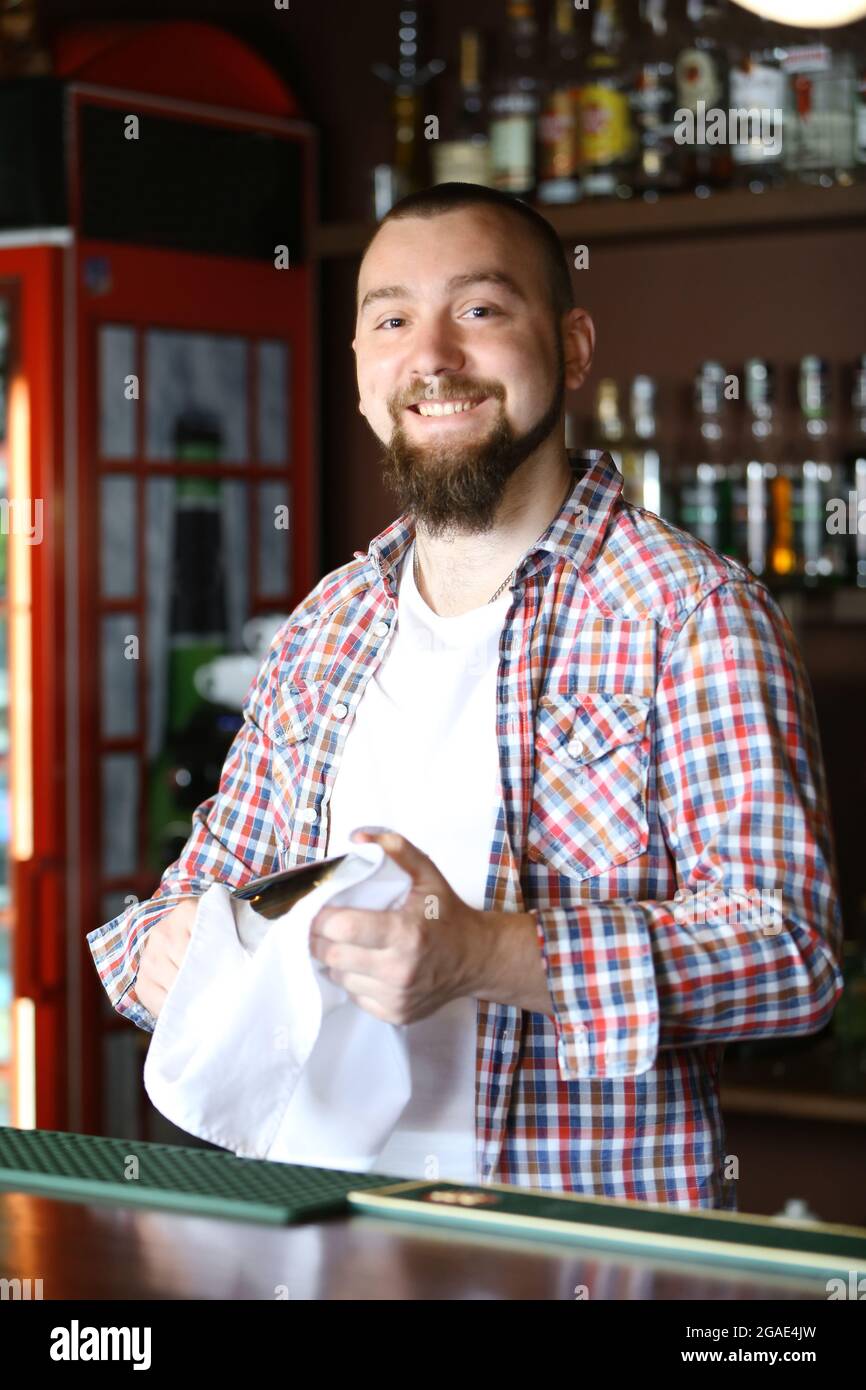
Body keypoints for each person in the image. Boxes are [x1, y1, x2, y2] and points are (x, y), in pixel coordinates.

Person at [87, 182, 843, 1208]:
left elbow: (787, 954)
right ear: (359, 370)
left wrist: (486, 955)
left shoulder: (688, 612)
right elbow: (184, 906)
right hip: (313, 1226)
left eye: (479, 310)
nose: (431, 357)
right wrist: (163, 949)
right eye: (391, 319)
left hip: (571, 1247)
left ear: (571, 348)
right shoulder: (324, 627)